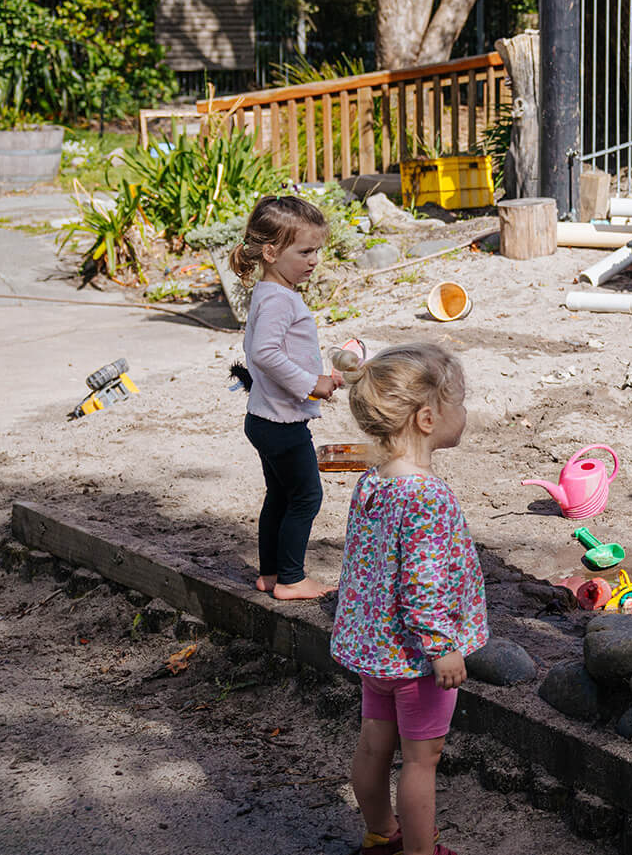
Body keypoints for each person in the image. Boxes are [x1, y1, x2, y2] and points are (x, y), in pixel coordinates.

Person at [330, 343, 486, 855]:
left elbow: (366, 566)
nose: (465, 413)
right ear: (426, 418)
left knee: (374, 745)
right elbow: (422, 585)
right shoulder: (428, 496)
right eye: (459, 403)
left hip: (375, 650)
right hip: (418, 658)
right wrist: (442, 646)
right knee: (421, 761)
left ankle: (380, 834)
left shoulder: (373, 483)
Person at [229, 194, 341, 601]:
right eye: (305, 251)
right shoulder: (279, 298)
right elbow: (266, 354)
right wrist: (312, 384)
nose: (314, 260)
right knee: (306, 497)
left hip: (265, 418)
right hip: (282, 424)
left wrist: (324, 377)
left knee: (280, 496)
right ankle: (292, 579)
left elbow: (274, 353)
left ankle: (271, 574)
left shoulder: (270, 292)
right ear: (272, 252)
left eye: (317, 251)